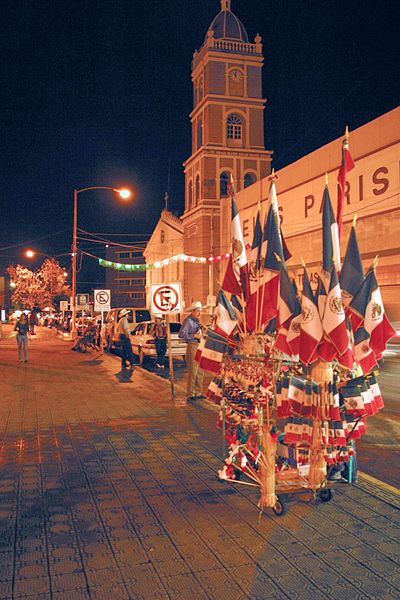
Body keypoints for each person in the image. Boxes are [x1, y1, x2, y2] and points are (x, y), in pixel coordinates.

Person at [179, 301, 204, 400]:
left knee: (200, 370)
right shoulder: (188, 321)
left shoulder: (197, 321)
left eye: (200, 311)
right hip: (193, 344)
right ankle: (191, 393)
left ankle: (198, 392)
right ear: (193, 311)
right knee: (193, 370)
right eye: (198, 311)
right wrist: (194, 335)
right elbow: (181, 334)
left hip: (199, 345)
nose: (199, 313)